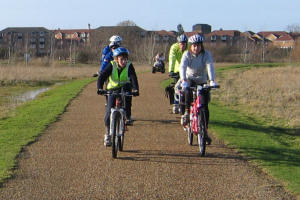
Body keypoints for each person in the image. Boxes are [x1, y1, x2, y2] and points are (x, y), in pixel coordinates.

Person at [179, 34, 217, 145]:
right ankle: (186, 113)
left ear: (201, 46)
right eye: (194, 46)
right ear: (191, 46)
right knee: (187, 91)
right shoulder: (186, 55)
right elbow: (182, 67)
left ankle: (204, 130)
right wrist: (183, 80)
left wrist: (212, 80)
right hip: (190, 79)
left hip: (202, 80)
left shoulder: (206, 54)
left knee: (204, 106)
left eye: (198, 46)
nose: (196, 48)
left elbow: (210, 66)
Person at [97, 47, 139, 146]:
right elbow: (102, 76)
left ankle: (127, 116)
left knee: (127, 98)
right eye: (121, 59)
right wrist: (99, 88)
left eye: (125, 59)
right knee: (108, 112)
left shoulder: (129, 65)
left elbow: (133, 77)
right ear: (116, 59)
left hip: (125, 87)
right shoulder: (111, 65)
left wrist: (136, 89)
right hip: (112, 89)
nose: (124, 61)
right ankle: (107, 135)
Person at [168, 34, 188, 114]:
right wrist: (171, 70)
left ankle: (185, 104)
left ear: (186, 43)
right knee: (176, 87)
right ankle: (176, 104)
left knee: (187, 87)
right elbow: (172, 58)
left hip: (187, 69)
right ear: (178, 43)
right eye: (181, 43)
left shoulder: (189, 48)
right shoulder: (174, 47)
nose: (182, 45)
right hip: (177, 68)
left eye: (184, 43)